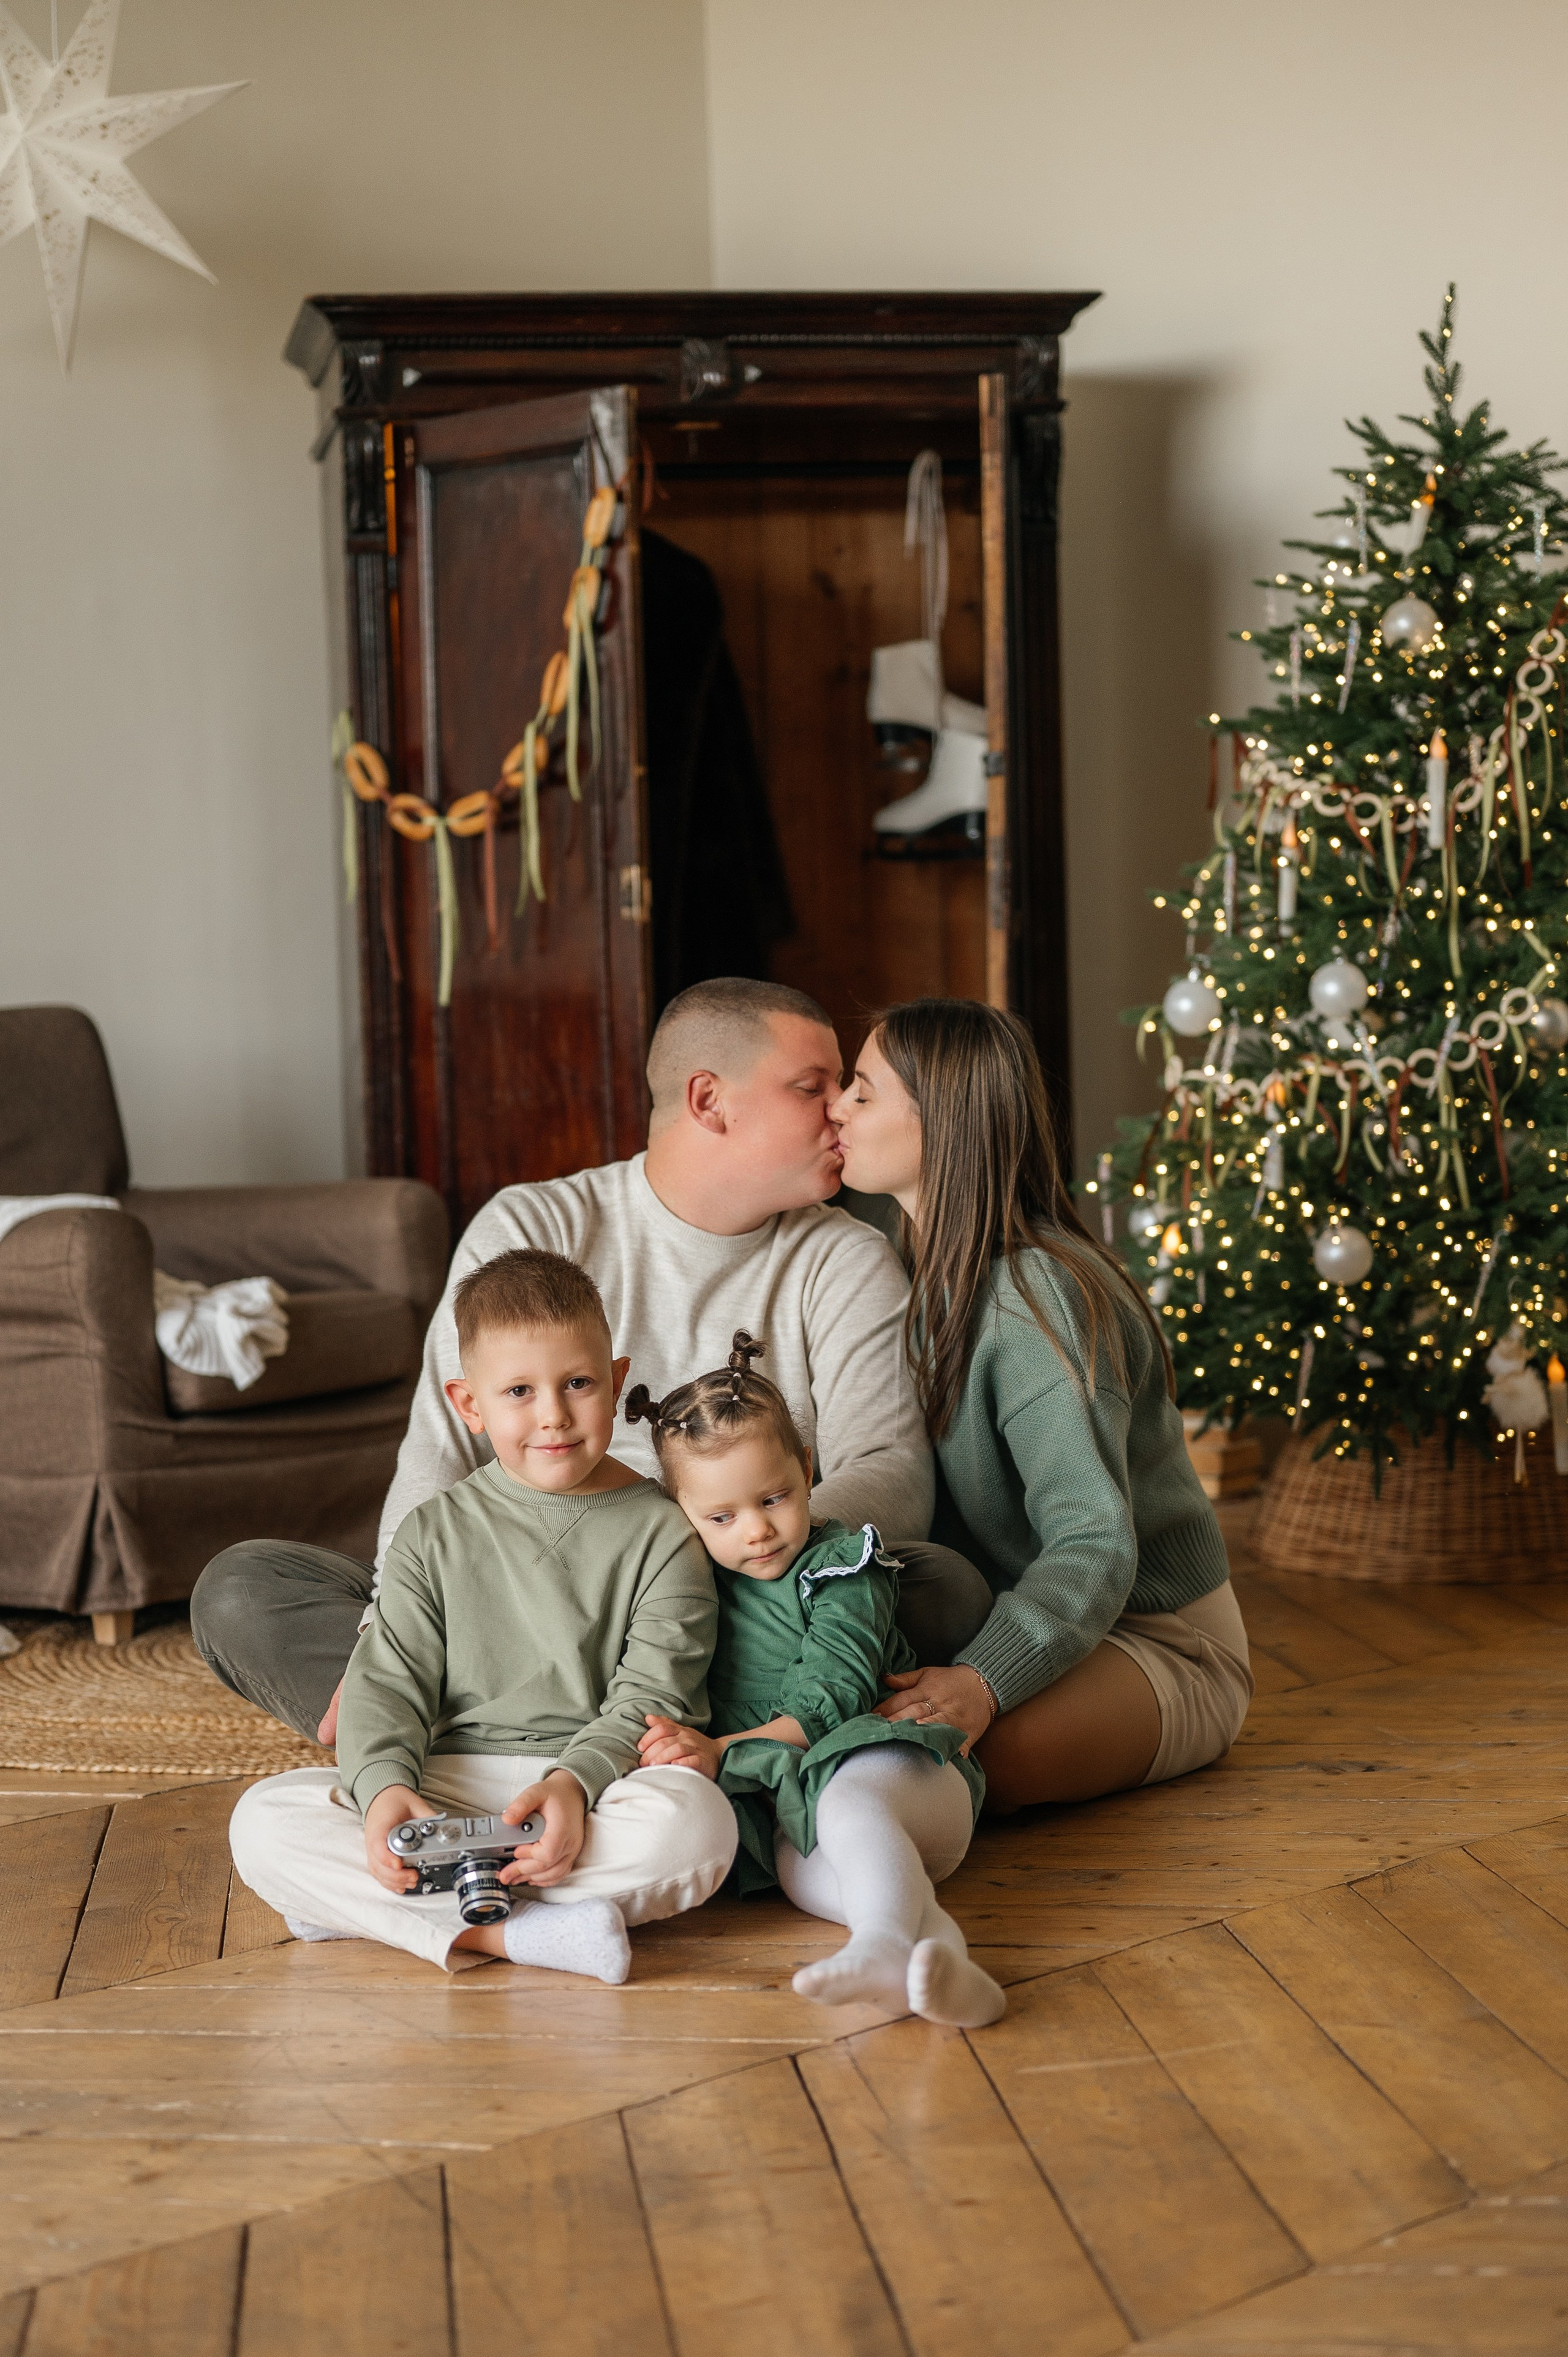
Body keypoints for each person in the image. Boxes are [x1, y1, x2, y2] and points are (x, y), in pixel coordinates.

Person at [192, 978, 976, 1748]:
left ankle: (486, 1734)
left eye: (844, 1088)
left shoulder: (844, 1257)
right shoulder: (537, 1223)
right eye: (814, 1086)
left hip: (743, 1602)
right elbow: (440, 1446)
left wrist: (693, 1561)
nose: (840, 1107)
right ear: (709, 1100)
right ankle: (562, 1733)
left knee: (943, 1586)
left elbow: (893, 1469)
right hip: (527, 1590)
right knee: (240, 1588)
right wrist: (385, 1630)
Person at [228, 1250, 736, 1977]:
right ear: (470, 1405)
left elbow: (655, 1697)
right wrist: (384, 1790)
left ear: (618, 1381)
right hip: (445, 1785)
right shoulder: (432, 1533)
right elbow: (388, 1683)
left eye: (579, 1383)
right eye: (520, 1391)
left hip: (589, 1787)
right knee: (263, 1819)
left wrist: (574, 1782)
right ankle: (519, 1934)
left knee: (696, 1823)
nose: (553, 1415)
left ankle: (382, 1911)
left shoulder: (666, 1531)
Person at [828, 998, 1252, 1812]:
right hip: (1044, 1621)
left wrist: (984, 1683)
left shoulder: (1035, 1301)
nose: (836, 1108)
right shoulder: (906, 1268)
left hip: (1159, 1638)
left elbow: (1095, 1542)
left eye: (861, 1090)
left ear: (941, 1122)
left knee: (938, 1764)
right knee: (864, 1736)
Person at [630, 1333, 1006, 2029]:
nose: (758, 1530)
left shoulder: (842, 1567)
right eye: (721, 1516)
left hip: (900, 1771)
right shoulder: (689, 1587)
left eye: (774, 1496)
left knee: (845, 1799)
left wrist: (719, 1751)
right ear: (679, 1512)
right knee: (804, 1874)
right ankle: (942, 1969)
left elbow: (828, 1698)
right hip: (793, 1807)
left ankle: (882, 1944)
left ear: (807, 1468)